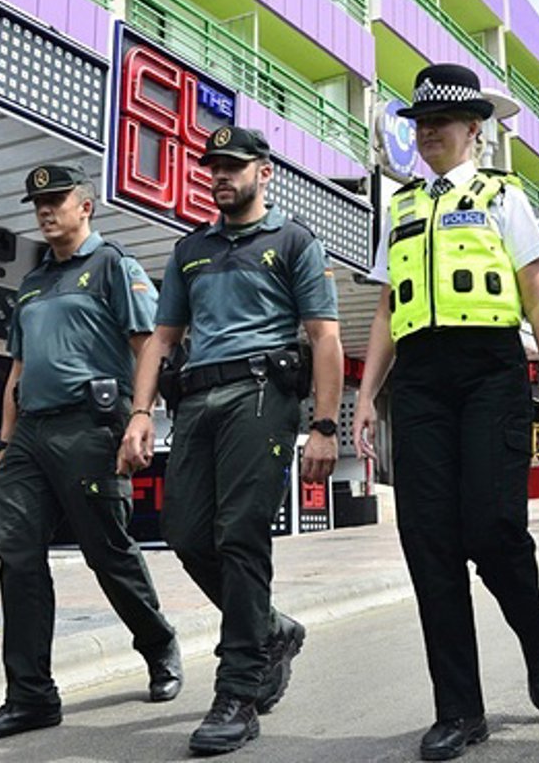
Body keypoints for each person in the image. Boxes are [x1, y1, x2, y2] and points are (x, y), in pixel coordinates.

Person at [350, 63, 539, 762]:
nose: (426, 135)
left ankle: (536, 633)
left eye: (440, 123)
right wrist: (364, 397)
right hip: (419, 382)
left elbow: (538, 296)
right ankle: (459, 710)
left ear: (473, 131)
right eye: (419, 124)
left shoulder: (503, 197)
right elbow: (390, 308)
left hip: (489, 372)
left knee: (493, 526)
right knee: (428, 541)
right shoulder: (403, 208)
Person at [120, 126, 343, 755]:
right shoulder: (189, 248)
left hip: (260, 395)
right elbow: (161, 340)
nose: (220, 175)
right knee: (186, 533)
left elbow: (324, 336)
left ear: (263, 172)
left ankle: (238, 692)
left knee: (240, 537)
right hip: (196, 402)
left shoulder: (293, 241)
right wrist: (141, 414)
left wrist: (324, 425)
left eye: (233, 166)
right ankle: (270, 627)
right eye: (213, 166)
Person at [0, 164, 181, 743]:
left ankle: (159, 645)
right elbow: (17, 369)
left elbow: (148, 349)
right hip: (31, 434)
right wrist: (6, 441)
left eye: (56, 199)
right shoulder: (32, 284)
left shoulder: (114, 267)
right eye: (37, 201)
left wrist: (141, 419)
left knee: (107, 551)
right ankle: (31, 695)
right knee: (16, 556)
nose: (44, 209)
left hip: (92, 428)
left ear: (85, 206)